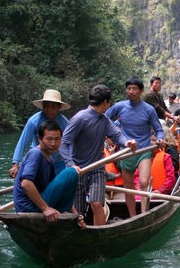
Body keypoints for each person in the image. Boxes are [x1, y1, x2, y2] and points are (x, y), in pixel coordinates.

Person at [59, 85, 137, 226]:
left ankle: (99, 233)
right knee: (79, 209)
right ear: (106, 102)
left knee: (96, 202)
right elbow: (63, 143)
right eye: (109, 102)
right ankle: (80, 233)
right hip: (79, 170)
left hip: (97, 170)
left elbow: (116, 134)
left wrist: (127, 143)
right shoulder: (80, 119)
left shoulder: (104, 119)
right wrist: (71, 165)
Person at [106, 77, 166, 217]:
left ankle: (144, 214)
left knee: (144, 182)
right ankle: (133, 217)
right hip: (127, 152)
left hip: (144, 150)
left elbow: (158, 129)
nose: (131, 91)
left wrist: (160, 138)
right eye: (129, 88)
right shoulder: (119, 106)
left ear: (141, 91)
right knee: (129, 188)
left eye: (134, 89)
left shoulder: (149, 109)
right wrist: (113, 135)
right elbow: (104, 119)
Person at [12, 120, 85, 227]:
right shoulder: (35, 154)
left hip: (38, 202)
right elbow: (26, 183)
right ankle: (61, 210)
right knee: (71, 172)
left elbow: (58, 188)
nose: (53, 143)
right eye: (49, 139)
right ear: (39, 139)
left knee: (69, 177)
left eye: (57, 139)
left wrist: (75, 212)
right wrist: (45, 208)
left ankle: (65, 211)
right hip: (28, 206)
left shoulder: (49, 160)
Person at [9, 89, 70, 179]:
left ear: (59, 107)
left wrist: (71, 163)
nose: (49, 110)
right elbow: (23, 142)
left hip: (58, 161)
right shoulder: (34, 121)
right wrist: (15, 164)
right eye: (46, 106)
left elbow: (70, 143)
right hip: (38, 159)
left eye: (53, 107)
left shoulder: (64, 123)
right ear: (42, 106)